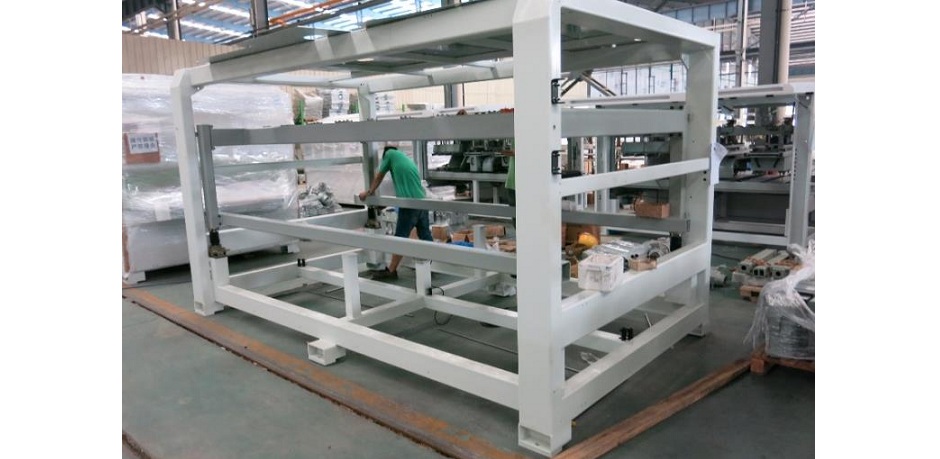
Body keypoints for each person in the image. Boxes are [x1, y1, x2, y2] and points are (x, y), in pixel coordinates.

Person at [359, 146, 432, 280]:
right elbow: (402, 184)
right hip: (422, 201)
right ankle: (428, 266)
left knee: (400, 237)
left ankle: (391, 271)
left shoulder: (389, 155)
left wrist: (368, 192)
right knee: (425, 235)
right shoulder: (404, 159)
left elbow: (379, 176)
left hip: (409, 205)